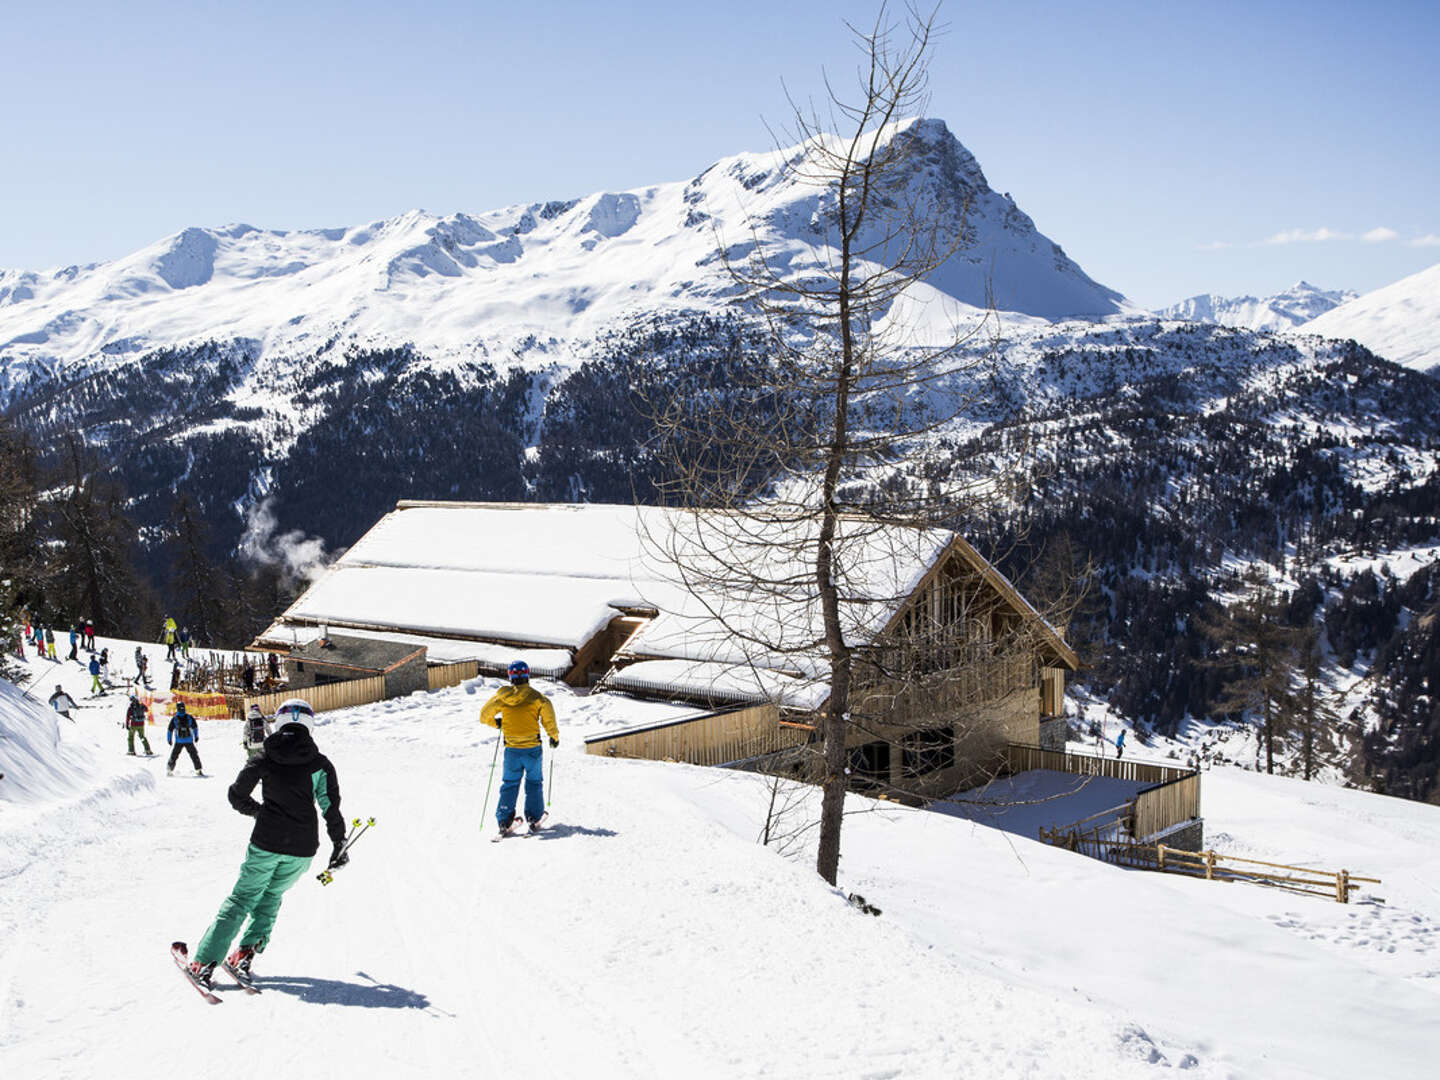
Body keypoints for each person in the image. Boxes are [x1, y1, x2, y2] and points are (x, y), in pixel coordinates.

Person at [185, 698, 345, 989]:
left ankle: (204, 962)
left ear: (280, 722)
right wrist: (339, 843)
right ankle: (245, 954)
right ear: (309, 724)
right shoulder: (320, 764)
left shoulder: (263, 757)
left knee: (242, 899)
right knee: (270, 896)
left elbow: (236, 796)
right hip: (303, 849)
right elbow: (330, 807)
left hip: (267, 841)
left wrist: (261, 812)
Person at [479, 660, 559, 836]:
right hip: (532, 749)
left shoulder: (502, 697)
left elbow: (484, 716)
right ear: (527, 675)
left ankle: (504, 820)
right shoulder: (537, 698)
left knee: (509, 783)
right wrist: (554, 737)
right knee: (534, 782)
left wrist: (497, 723)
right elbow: (549, 720)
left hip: (512, 750)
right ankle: (534, 816)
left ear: (510, 676)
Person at [166, 702, 204, 776]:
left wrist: (169, 740)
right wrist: (196, 737)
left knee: (174, 755)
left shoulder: (175, 719)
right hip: (189, 740)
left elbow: (169, 730)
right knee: (194, 755)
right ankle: (198, 770)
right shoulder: (189, 717)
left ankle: (169, 770)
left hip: (178, 741)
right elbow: (195, 727)